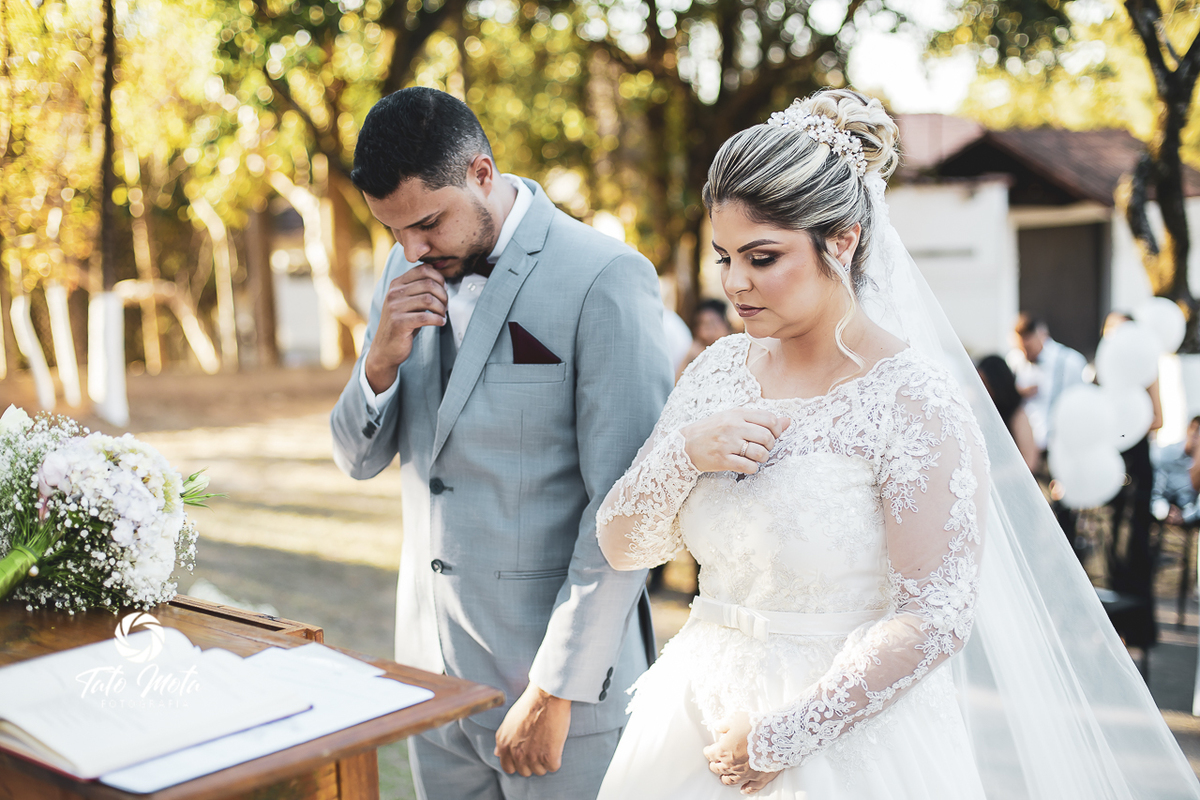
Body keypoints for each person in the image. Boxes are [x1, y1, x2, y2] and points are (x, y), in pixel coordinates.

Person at [594, 90, 1200, 799]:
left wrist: (782, 735)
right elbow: (621, 545)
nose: (734, 284)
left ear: (843, 239)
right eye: (726, 256)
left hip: (842, 741)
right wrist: (686, 451)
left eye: (762, 257)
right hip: (692, 712)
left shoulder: (913, 401)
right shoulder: (715, 372)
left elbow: (935, 614)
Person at [330, 87, 673, 800]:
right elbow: (357, 458)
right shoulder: (402, 273)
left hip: (558, 691)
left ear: (481, 174)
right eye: (393, 232)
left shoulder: (606, 278)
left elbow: (628, 509)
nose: (411, 251)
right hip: (432, 679)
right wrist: (379, 362)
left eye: (426, 224)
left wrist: (557, 688)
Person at [976, 354, 1039, 473]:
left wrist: (993, 476)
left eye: (986, 384)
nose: (982, 389)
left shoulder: (1018, 415)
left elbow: (1030, 462)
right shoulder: (983, 411)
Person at [1154, 415, 1200, 528]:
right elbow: (1157, 490)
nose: (1196, 435)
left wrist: (1185, 516)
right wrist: (1165, 511)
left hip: (1190, 510)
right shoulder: (1168, 453)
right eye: (1195, 429)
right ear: (1188, 429)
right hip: (1164, 504)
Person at [677, 298, 736, 381]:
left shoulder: (737, 356)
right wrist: (688, 358)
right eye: (699, 325)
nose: (704, 333)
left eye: (711, 326)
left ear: (726, 325)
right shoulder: (695, 354)